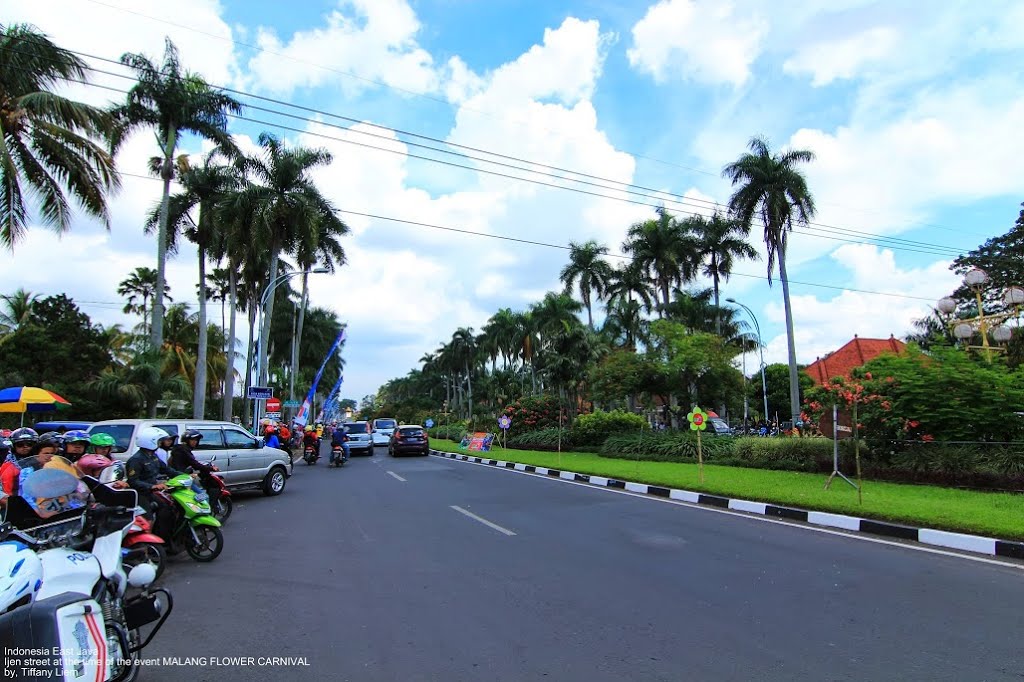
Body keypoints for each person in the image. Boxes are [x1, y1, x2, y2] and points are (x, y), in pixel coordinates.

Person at [126, 426, 187, 542]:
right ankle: (147, 544)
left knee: (169, 508)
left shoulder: (153, 456)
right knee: (147, 520)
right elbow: (133, 481)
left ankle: (164, 538)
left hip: (152, 492)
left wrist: (183, 475)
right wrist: (152, 486)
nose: (161, 443)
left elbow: (166, 469)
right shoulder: (136, 460)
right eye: (159, 441)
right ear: (151, 442)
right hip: (140, 494)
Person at [167, 429, 213, 499]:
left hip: (180, 477)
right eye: (192, 440)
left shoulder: (180, 449)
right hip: (181, 479)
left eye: (196, 440)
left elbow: (191, 463)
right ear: (187, 440)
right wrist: (211, 468)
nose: (195, 442)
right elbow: (195, 464)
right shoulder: (183, 450)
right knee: (204, 497)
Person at [1, 427, 37, 496]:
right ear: (14, 446)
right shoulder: (8, 463)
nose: (25, 447)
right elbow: (5, 488)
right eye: (20, 444)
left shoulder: (40, 461)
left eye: (29, 444)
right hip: (16, 500)